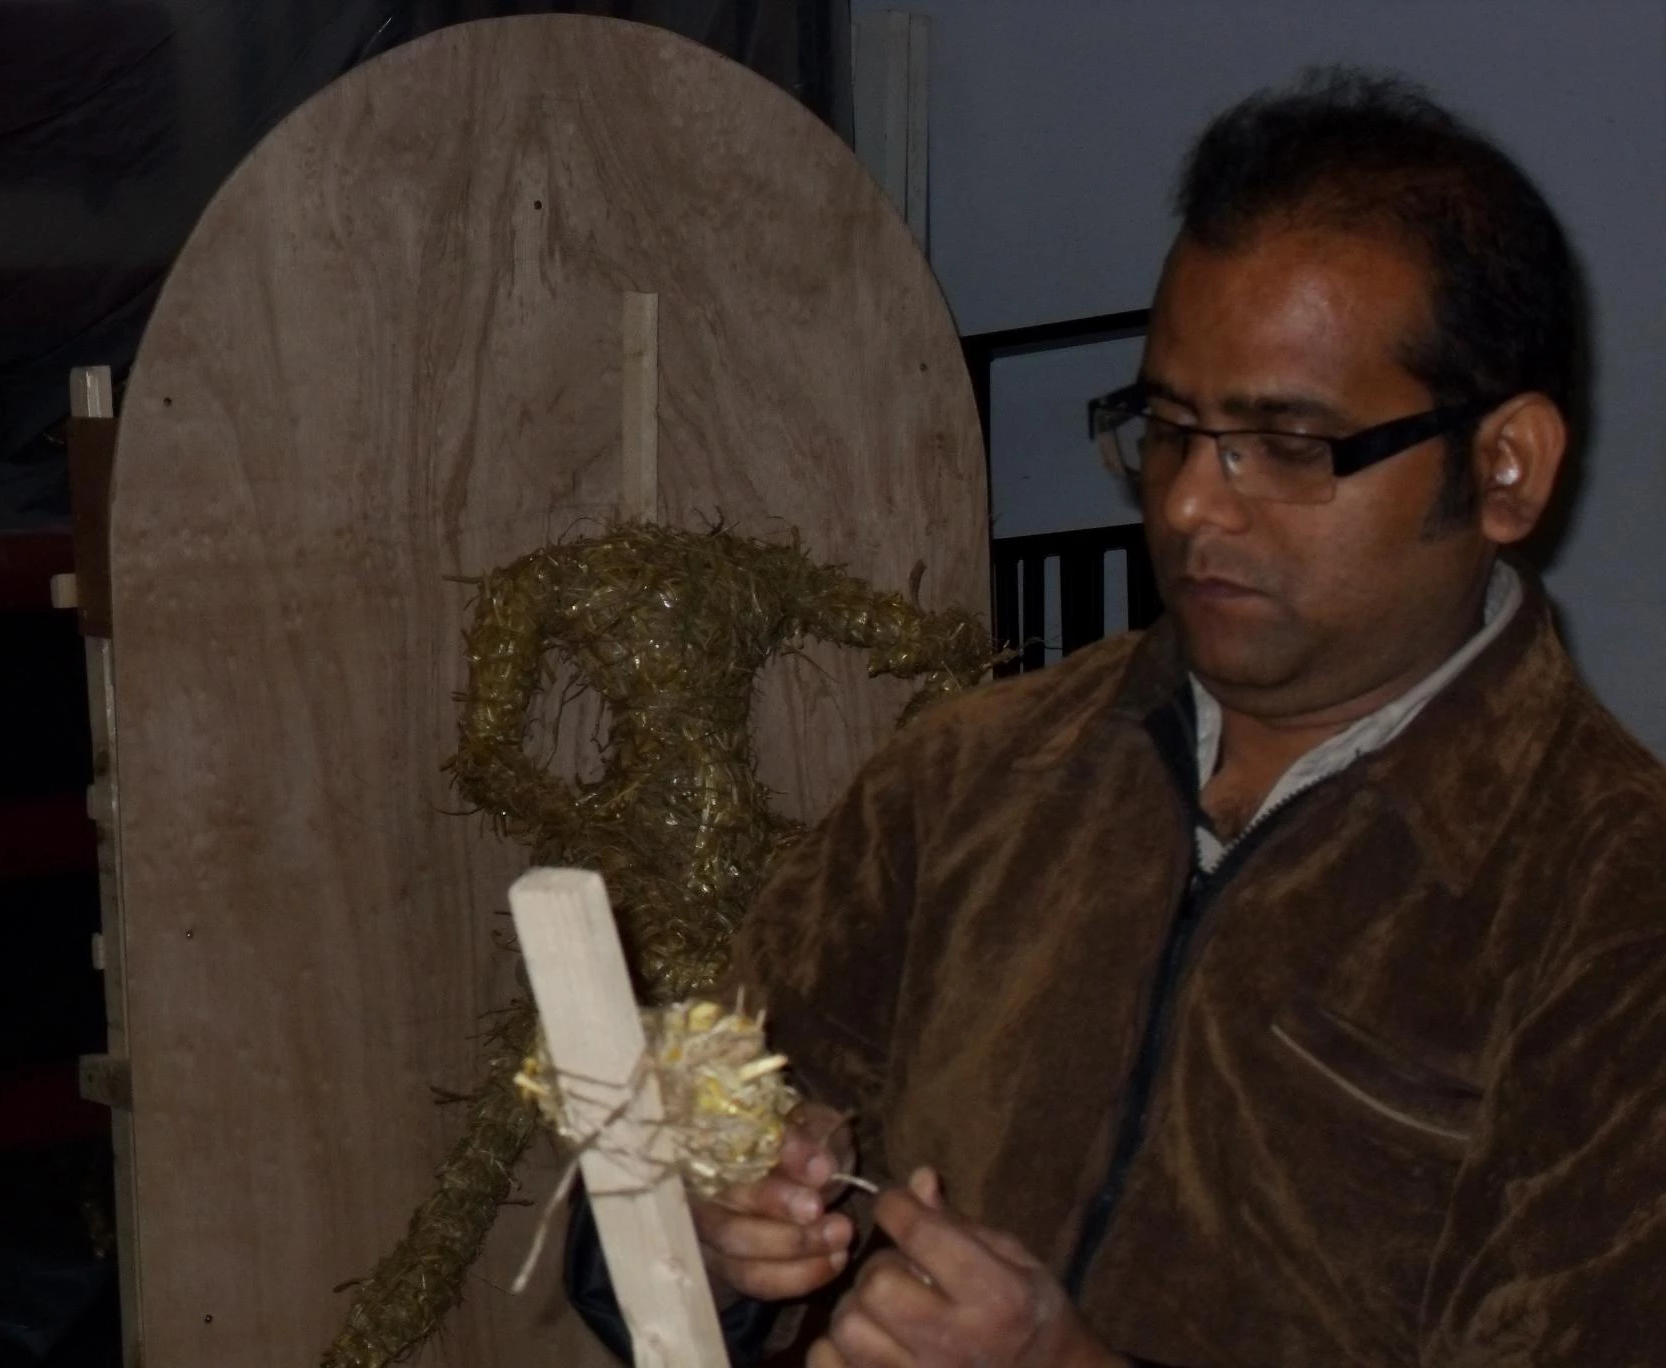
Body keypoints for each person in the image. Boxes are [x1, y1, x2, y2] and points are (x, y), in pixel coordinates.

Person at [569, 67, 1666, 1365]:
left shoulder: (1610, 906)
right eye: (1168, 428)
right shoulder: (972, 776)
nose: (1196, 504)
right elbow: (650, 1232)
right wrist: (710, 1240)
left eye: (1293, 446)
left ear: (1505, 466)